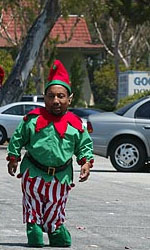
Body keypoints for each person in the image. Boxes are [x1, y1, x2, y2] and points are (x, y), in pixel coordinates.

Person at [6, 59, 94, 248]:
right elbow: (17, 139)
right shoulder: (32, 119)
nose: (56, 101)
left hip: (60, 177)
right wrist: (13, 158)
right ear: (44, 97)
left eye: (61, 96)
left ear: (69, 99)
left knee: (55, 207)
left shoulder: (76, 124)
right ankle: (34, 231)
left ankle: (55, 230)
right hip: (33, 174)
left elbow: (84, 146)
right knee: (33, 206)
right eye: (51, 96)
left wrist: (85, 162)